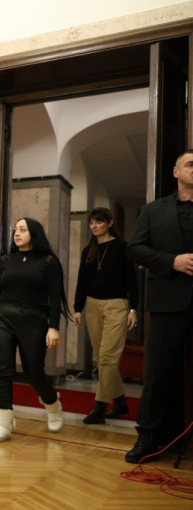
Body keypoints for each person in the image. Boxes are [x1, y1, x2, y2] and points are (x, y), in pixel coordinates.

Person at [124, 149, 193, 463]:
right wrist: (171, 262)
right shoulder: (153, 210)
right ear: (176, 172)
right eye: (190, 164)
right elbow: (134, 248)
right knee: (158, 372)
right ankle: (149, 437)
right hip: (167, 301)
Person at [0, 218, 71, 442]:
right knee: (3, 369)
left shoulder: (49, 262)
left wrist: (53, 327)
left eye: (23, 230)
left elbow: (55, 297)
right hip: (3, 317)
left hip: (34, 320)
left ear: (34, 233)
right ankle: (3, 423)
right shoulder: (6, 260)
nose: (16, 234)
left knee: (33, 372)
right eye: (15, 230)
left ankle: (53, 404)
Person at [73, 207, 138, 424]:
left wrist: (133, 308)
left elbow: (132, 279)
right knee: (101, 359)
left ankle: (100, 408)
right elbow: (82, 281)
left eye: (99, 222)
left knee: (107, 357)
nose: (94, 226)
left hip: (117, 306)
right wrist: (77, 308)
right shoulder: (88, 250)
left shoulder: (122, 247)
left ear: (110, 223)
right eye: (91, 222)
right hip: (92, 306)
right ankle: (120, 402)